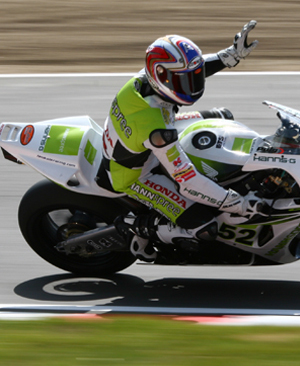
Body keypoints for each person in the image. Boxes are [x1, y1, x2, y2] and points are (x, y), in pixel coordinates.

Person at [97, 21, 263, 261]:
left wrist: (231, 55)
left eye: (191, 79)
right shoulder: (155, 128)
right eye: (183, 82)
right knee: (205, 228)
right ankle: (136, 226)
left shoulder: (148, 78)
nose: (191, 86)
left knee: (222, 115)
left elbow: (193, 68)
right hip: (136, 174)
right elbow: (187, 181)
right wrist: (235, 203)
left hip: (145, 135)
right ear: (161, 77)